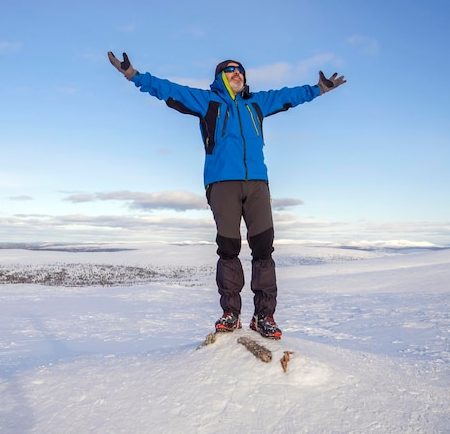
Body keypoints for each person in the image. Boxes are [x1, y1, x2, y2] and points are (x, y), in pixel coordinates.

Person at [108, 51, 346, 339]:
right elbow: (168, 90)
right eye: (230, 70)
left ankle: (264, 316)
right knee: (229, 248)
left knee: (263, 249)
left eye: (240, 71)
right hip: (222, 183)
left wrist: (318, 89)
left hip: (257, 182)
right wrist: (134, 75)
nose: (237, 74)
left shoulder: (256, 103)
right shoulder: (207, 101)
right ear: (220, 77)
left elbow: (289, 96)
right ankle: (231, 312)